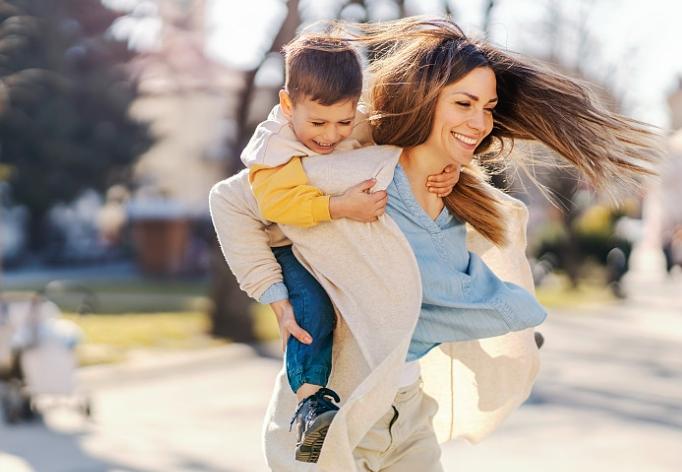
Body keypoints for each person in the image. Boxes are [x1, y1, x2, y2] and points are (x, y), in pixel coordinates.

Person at [210, 17, 660, 471]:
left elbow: (441, 297)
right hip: (329, 427)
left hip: (406, 418)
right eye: (464, 103)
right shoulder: (351, 177)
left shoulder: (458, 197)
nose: (479, 122)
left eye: (488, 107)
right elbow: (228, 200)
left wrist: (513, 332)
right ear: (427, 101)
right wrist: (274, 294)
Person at [238, 33, 460, 462]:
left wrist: (442, 174)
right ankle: (311, 400)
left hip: (341, 244)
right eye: (318, 124)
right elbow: (276, 203)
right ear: (287, 105)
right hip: (293, 246)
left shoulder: (357, 125)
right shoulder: (273, 147)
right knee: (312, 311)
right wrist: (341, 205)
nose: (331, 135)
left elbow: (400, 160)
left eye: (343, 121)